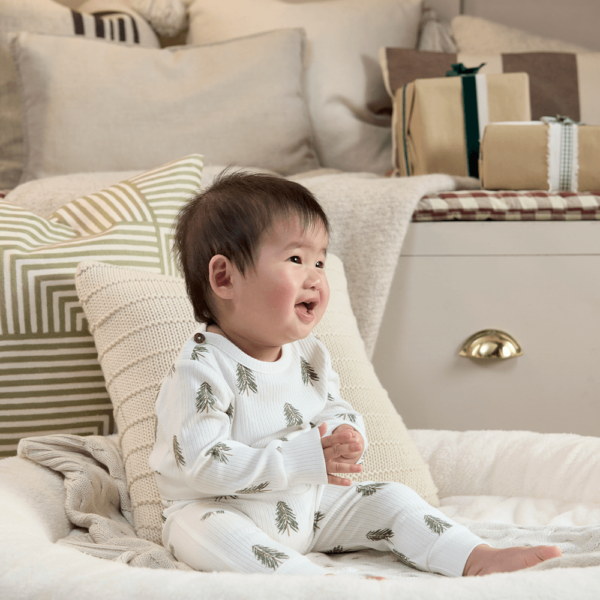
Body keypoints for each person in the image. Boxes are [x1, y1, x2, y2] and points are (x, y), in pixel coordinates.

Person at [149, 170, 562, 578]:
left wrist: (344, 434)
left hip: (308, 507)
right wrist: (304, 457)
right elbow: (203, 463)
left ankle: (474, 556)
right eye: (296, 259)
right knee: (208, 532)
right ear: (225, 277)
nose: (315, 276)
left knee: (391, 497)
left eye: (320, 260)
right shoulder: (199, 368)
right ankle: (316, 585)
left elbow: (332, 406)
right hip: (224, 508)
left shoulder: (308, 354)